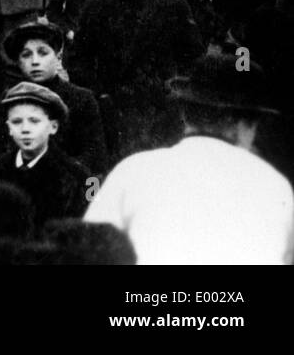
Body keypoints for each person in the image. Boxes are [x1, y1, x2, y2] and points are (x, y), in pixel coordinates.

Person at [84, 51, 294, 264]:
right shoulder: (275, 186)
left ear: (184, 114)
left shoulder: (133, 170)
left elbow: (85, 252)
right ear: (247, 125)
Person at [66, 0, 203, 160]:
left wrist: (176, 92)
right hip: (113, 112)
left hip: (161, 112)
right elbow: (77, 60)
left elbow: (193, 58)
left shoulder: (173, 7)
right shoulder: (96, 8)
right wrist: (98, 94)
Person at [0, 21, 108, 176]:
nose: (35, 61)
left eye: (43, 53)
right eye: (26, 55)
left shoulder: (82, 98)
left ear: (58, 56)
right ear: (18, 62)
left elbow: (95, 156)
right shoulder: (11, 97)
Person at [0, 81, 91, 224]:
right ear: (9, 128)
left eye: (34, 121)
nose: (25, 129)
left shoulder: (75, 175)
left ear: (53, 127)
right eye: (16, 122)